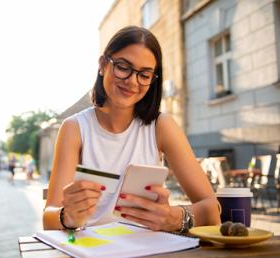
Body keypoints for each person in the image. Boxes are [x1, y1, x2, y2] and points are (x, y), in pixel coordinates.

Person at [43, 26, 220, 232]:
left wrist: (173, 217)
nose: (132, 81)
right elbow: (49, 219)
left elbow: (212, 210)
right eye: (123, 67)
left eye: (144, 75)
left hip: (148, 251)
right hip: (92, 250)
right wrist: (68, 216)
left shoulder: (161, 126)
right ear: (102, 65)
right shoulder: (74, 128)